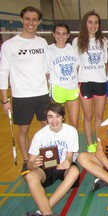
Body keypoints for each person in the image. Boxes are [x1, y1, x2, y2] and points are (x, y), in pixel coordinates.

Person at [0, 6, 50, 175]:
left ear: (39, 22)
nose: (31, 22)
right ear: (22, 20)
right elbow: (3, 72)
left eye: (34, 19)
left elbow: (46, 69)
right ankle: (27, 160)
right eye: (27, 19)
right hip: (21, 95)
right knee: (23, 130)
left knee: (48, 126)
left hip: (42, 93)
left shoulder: (42, 42)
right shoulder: (9, 45)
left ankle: (49, 158)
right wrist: (5, 100)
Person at [24, 103, 80, 216]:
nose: (54, 120)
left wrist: (68, 162)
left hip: (64, 165)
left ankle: (43, 211)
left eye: (57, 116)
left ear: (63, 117)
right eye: (50, 116)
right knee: (30, 176)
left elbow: (69, 156)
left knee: (74, 171)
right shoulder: (40, 135)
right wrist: (34, 164)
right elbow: (29, 163)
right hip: (46, 168)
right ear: (46, 118)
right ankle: (47, 213)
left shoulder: (71, 131)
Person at [72, 11, 108, 153]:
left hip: (100, 82)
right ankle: (89, 144)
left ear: (99, 25)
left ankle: (98, 142)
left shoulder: (104, 41)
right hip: (85, 83)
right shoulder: (77, 41)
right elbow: (75, 65)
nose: (93, 25)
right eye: (90, 22)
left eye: (96, 22)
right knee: (88, 116)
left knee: (99, 116)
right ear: (85, 24)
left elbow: (105, 64)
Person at [46, 23, 80, 129]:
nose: (61, 36)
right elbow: (47, 73)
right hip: (58, 89)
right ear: (54, 35)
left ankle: (73, 145)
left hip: (72, 88)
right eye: (58, 33)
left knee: (74, 123)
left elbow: (77, 67)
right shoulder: (49, 51)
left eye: (64, 33)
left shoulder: (72, 49)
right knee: (58, 123)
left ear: (68, 35)